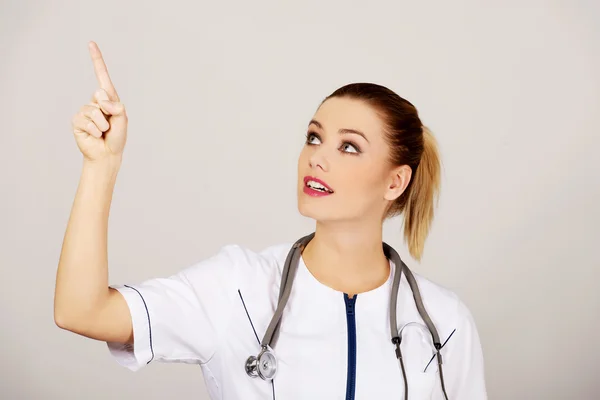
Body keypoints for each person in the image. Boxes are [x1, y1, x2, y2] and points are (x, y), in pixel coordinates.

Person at [54, 41, 488, 400]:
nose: (317, 156)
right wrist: (101, 166)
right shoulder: (236, 288)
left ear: (395, 182)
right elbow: (81, 310)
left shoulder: (443, 324)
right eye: (314, 137)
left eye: (349, 147)